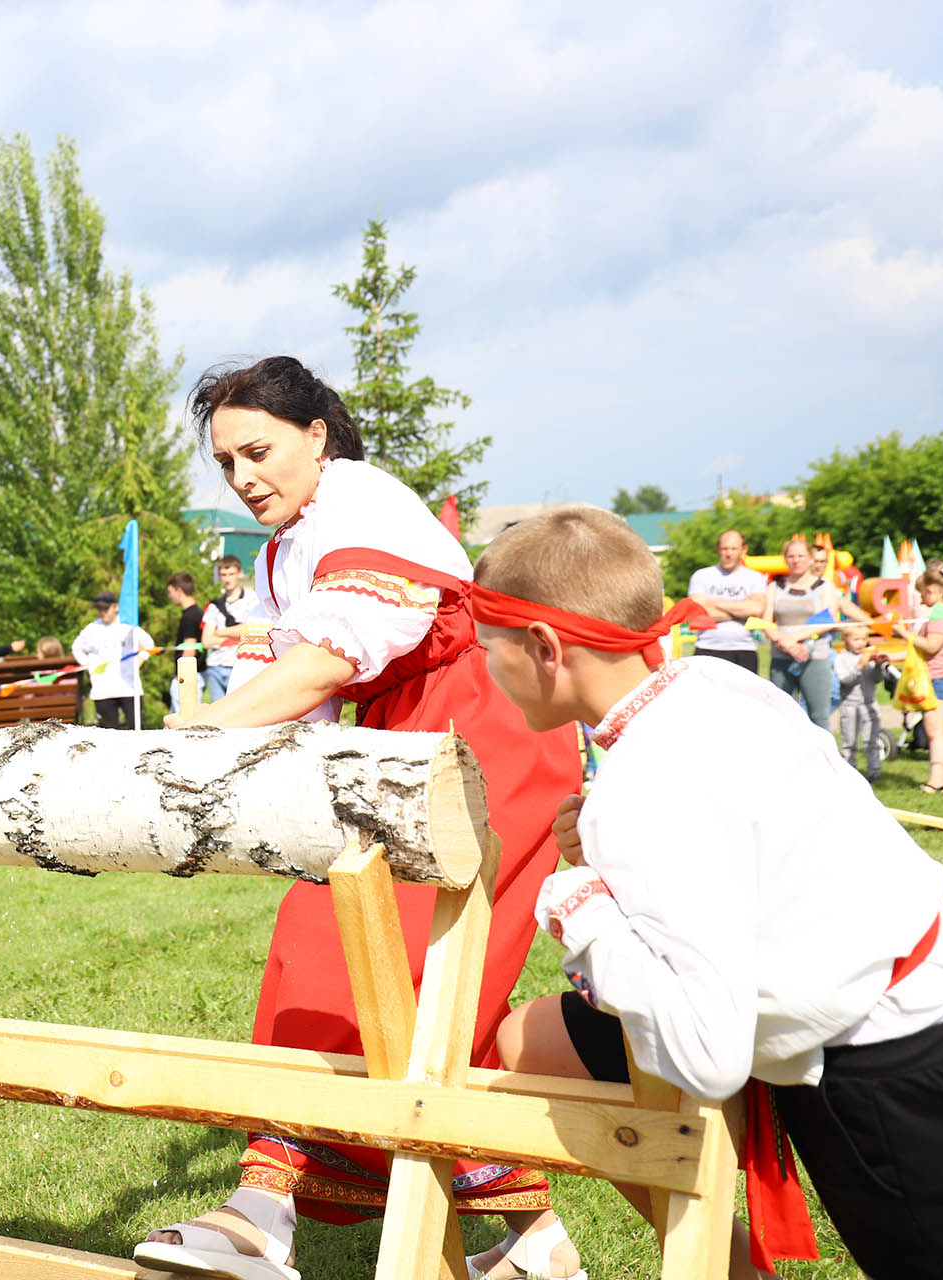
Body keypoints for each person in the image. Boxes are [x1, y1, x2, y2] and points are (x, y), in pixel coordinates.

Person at [135, 358, 581, 1280]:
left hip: (482, 736)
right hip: (405, 740)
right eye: (225, 463)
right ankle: (534, 1244)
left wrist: (198, 734)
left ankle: (264, 1212)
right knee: (415, 995)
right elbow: (298, 693)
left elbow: (328, 663)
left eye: (257, 451)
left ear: (317, 436)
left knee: (361, 956)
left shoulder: (361, 504)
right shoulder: (281, 546)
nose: (243, 476)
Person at [471, 505, 943, 1280]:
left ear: (543, 646)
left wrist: (585, 909)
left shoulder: (646, 786)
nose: (485, 673)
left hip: (885, 1059)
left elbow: (710, 1055)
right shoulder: (707, 685)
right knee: (540, 1040)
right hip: (882, 992)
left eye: (488, 649)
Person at [760, 534, 870, 727]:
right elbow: (766, 621)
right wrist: (784, 643)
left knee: (819, 716)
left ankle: (823, 757)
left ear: (810, 558)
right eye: (791, 556)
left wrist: (793, 639)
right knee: (782, 716)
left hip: (815, 657)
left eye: (801, 556)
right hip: (781, 658)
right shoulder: (774, 586)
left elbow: (829, 620)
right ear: (785, 559)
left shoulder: (825, 587)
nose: (796, 561)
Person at [685, 530, 768, 673]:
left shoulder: (755, 578)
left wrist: (712, 602)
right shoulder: (701, 576)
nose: (729, 553)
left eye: (734, 549)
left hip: (744, 650)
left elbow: (756, 609)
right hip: (707, 649)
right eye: (725, 548)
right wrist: (741, 609)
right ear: (718, 549)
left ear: (744, 550)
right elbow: (697, 613)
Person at [910, 568, 943, 795]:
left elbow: (931, 646)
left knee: (935, 732)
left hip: (939, 676)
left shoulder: (940, 612)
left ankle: (935, 782)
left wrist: (906, 634)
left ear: (931, 590)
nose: (921, 598)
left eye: (922, 594)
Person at [71, 591, 152, 730]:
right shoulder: (92, 629)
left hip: (129, 688)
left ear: (116, 607)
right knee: (108, 733)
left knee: (138, 730)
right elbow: (76, 648)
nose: (103, 613)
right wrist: (88, 666)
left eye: (106, 608)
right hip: (103, 690)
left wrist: (139, 661)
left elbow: (149, 644)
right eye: (99, 609)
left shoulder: (128, 626)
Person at [200, 554, 263, 702]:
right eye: (223, 575)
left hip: (241, 664)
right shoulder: (214, 605)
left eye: (231, 574)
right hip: (216, 665)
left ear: (239, 574)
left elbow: (251, 628)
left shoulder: (252, 599)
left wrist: (220, 632)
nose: (227, 579)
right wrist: (237, 631)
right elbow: (207, 640)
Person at [831, 627, 888, 781]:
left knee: (871, 739)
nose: (860, 643)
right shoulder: (841, 658)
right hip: (850, 706)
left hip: (869, 704)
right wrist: (859, 666)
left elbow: (876, 679)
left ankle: (874, 771)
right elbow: (845, 680)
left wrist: (877, 666)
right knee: (849, 741)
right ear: (845, 639)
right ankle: (849, 771)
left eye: (863, 639)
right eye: (856, 639)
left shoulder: (867, 656)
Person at [164, 572, 206, 714]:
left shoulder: (190, 616)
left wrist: (181, 677)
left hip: (187, 677)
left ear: (179, 591)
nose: (170, 596)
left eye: (171, 592)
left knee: (184, 720)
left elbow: (190, 648)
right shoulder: (196, 613)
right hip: (194, 675)